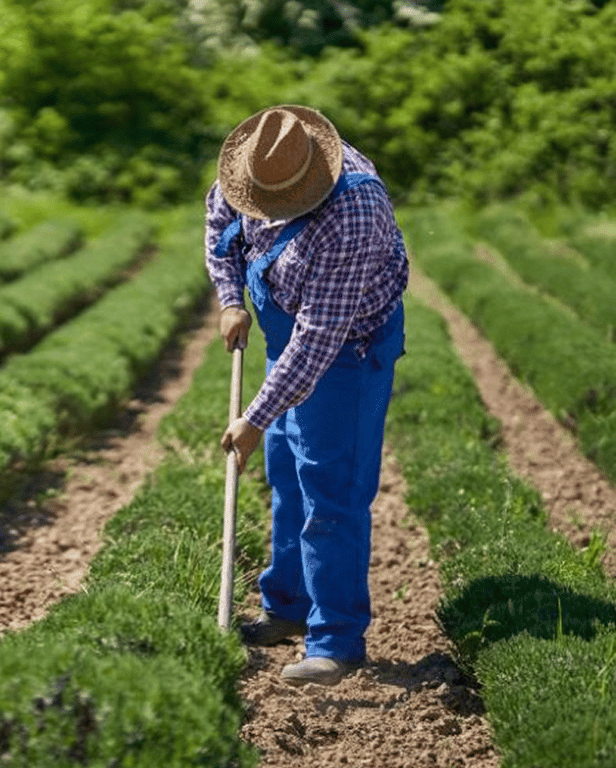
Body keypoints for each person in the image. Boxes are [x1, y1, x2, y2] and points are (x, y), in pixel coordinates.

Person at [203, 105, 408, 686]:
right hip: (286, 333)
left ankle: (335, 640)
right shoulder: (251, 167)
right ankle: (287, 607)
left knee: (331, 490)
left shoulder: (354, 210)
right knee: (288, 476)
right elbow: (219, 228)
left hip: (347, 350)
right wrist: (230, 300)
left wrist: (254, 417)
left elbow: (318, 339)